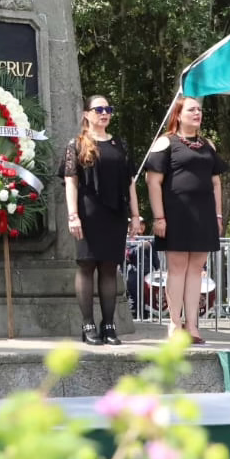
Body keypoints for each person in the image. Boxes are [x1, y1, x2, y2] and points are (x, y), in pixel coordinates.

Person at [144, 96, 227, 344]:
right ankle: (174, 323)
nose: (197, 113)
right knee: (177, 269)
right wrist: (159, 217)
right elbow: (153, 181)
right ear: (178, 115)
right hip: (176, 213)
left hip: (204, 214)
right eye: (192, 109)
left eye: (199, 110)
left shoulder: (207, 145)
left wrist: (218, 214)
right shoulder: (165, 142)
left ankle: (192, 326)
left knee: (196, 271)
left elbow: (215, 182)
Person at [62, 95, 141, 345]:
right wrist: (73, 215)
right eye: (99, 109)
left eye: (108, 109)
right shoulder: (76, 144)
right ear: (86, 114)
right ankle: (87, 324)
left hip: (115, 213)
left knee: (109, 268)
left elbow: (130, 183)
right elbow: (71, 182)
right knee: (86, 265)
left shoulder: (120, 144)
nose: (104, 113)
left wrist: (136, 216)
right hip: (87, 212)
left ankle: (109, 324)